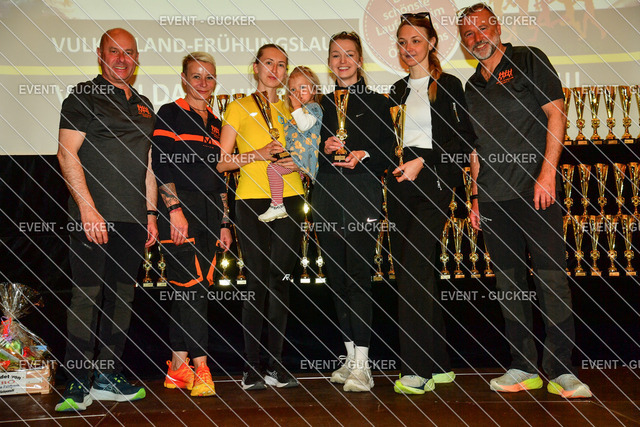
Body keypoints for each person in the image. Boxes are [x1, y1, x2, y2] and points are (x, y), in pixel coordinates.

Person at [458, 3, 592, 398]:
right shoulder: (471, 86)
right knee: (509, 285)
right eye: (468, 34)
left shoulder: (529, 59)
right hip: (493, 199)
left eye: (482, 28)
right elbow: (476, 148)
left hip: (537, 192)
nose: (477, 38)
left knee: (552, 280)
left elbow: (556, 114)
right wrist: (476, 197)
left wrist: (547, 173)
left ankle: (562, 370)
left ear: (497, 27)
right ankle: (522, 366)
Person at [55, 28, 157, 411]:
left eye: (128, 52)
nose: (121, 59)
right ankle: (77, 380)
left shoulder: (145, 104)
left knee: (122, 298)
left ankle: (106, 375)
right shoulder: (83, 95)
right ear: (100, 56)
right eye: (114, 51)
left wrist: (150, 213)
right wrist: (87, 208)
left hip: (133, 219)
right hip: (93, 217)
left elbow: (148, 164)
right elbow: (66, 153)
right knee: (87, 296)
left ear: (136, 59)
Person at [387, 12, 475, 395]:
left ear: (432, 43)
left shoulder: (450, 85)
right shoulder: (396, 90)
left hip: (434, 183)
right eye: (403, 42)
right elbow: (388, 142)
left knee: (413, 270)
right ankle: (439, 365)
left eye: (416, 40)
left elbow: (464, 140)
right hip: (400, 185)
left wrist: (424, 160)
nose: (409, 48)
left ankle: (417, 369)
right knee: (415, 272)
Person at [217, 44, 304, 390]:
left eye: (281, 65)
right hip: (251, 201)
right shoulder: (238, 107)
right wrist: (257, 154)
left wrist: (300, 163)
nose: (275, 70)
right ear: (256, 67)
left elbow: (310, 155)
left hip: (291, 198)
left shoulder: (294, 107)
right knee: (256, 283)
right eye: (268, 63)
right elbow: (222, 162)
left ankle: (276, 365)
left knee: (281, 281)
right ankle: (251, 366)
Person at [313, 31, 394, 392]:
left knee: (359, 277)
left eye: (349, 54)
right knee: (337, 278)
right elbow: (302, 154)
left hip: (362, 195)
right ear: (329, 62)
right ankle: (349, 358)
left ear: (360, 60)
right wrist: (321, 146)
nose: (342, 61)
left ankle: (364, 365)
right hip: (327, 195)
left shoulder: (378, 102)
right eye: (335, 55)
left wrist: (364, 154)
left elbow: (390, 150)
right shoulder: (318, 106)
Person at [151, 52, 232, 397]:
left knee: (189, 289)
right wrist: (174, 210)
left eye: (209, 77)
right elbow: (160, 163)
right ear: (184, 79)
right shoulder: (169, 112)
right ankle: (201, 369)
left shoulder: (217, 122)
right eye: (196, 76)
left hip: (211, 211)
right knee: (193, 290)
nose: (203, 83)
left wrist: (225, 221)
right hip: (180, 209)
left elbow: (221, 175)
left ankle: (176, 368)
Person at [258, 66, 322, 222]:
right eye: (293, 89)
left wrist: (297, 107)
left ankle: (277, 205)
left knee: (273, 169)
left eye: (303, 88)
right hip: (296, 157)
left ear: (314, 90)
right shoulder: (297, 112)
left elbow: (304, 126)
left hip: (304, 158)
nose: (298, 93)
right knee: (274, 168)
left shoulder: (314, 108)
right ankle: (277, 205)